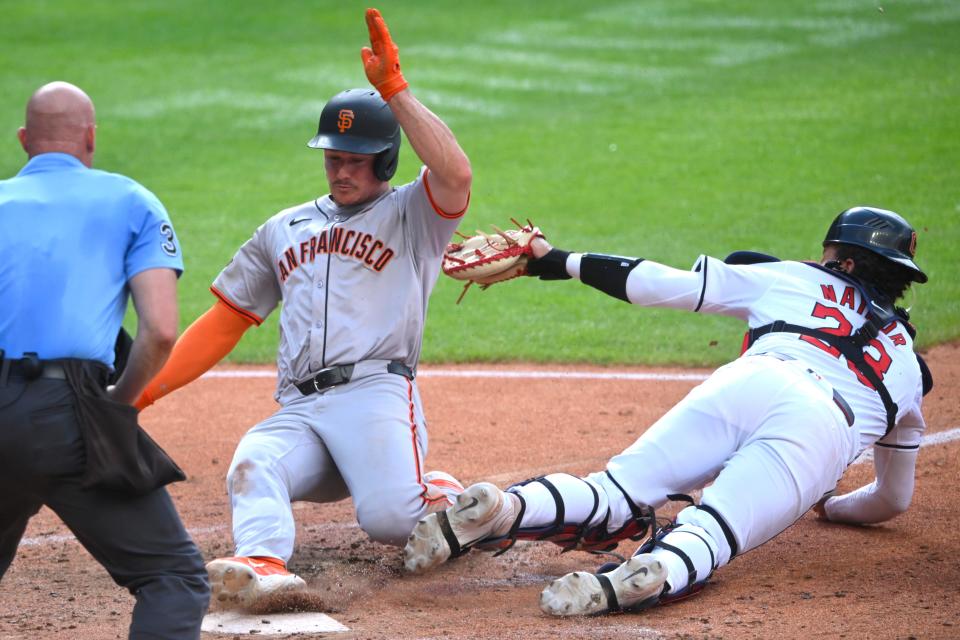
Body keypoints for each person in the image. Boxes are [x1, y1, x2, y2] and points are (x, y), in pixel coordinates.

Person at [404, 206, 930, 617]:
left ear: (846, 259)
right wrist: (832, 507)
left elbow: (657, 282)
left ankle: (507, 508)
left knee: (613, 489)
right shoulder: (910, 369)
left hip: (750, 380)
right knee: (713, 529)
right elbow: (891, 497)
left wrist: (555, 258)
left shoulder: (792, 278)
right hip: (819, 427)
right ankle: (644, 575)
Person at [134, 8, 472, 608]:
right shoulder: (284, 228)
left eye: (355, 159)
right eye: (332, 158)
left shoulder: (413, 217)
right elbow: (227, 320)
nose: (340, 170)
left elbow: (455, 171)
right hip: (301, 406)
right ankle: (262, 563)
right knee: (254, 460)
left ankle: (445, 496)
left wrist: (397, 94)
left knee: (393, 522)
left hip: (374, 396)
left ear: (386, 162)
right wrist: (143, 392)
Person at [0, 82, 209, 638]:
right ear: (91, 139)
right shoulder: (131, 201)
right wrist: (118, 405)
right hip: (70, 412)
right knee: (174, 577)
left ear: (25, 141)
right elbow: (160, 331)